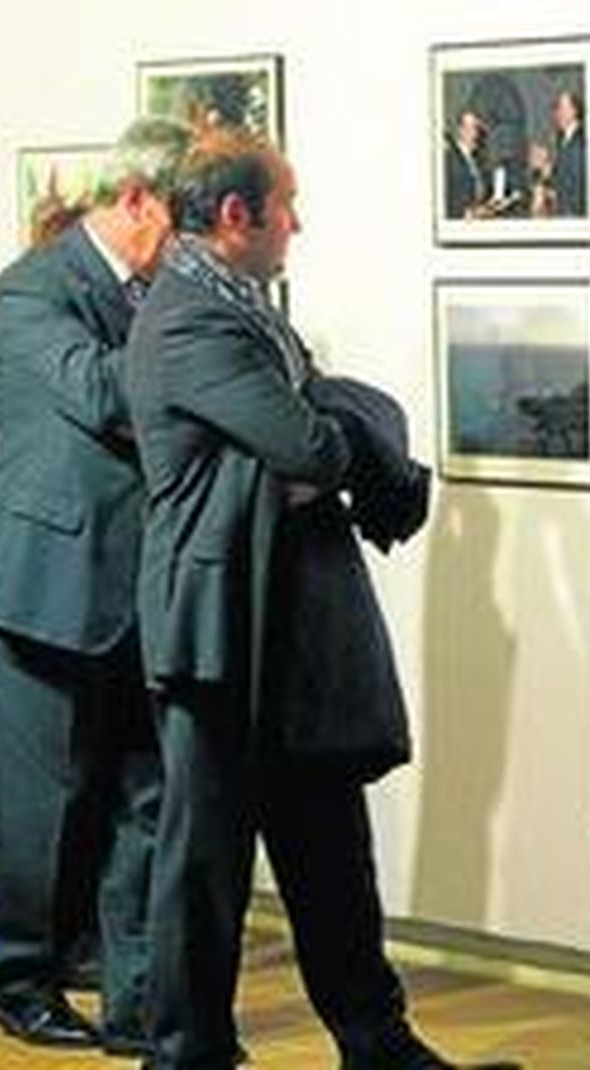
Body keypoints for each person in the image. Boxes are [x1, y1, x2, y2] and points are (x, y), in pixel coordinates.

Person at [124, 131, 518, 1070]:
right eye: (285, 205)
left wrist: (316, 430)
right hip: (221, 634)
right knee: (204, 867)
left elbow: (305, 435)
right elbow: (314, 445)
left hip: (284, 629)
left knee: (331, 855)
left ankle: (378, 1046)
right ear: (235, 216)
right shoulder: (191, 319)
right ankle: (184, 1056)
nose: (297, 223)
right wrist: (323, 433)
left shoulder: (242, 309)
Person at [0, 117, 190, 1054]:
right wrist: (204, 360)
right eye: (179, 221)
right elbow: (103, 395)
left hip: (145, 592)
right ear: (137, 199)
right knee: (42, 809)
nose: (187, 246)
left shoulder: (159, 290)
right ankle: (21, 982)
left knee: (147, 799)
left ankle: (129, 990)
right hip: (47, 596)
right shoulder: (32, 286)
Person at [444, 108, 490, 219]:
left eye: (475, 128)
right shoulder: (450, 160)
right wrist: (468, 213)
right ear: (460, 130)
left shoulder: (477, 160)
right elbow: (448, 199)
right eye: (467, 128)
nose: (472, 133)